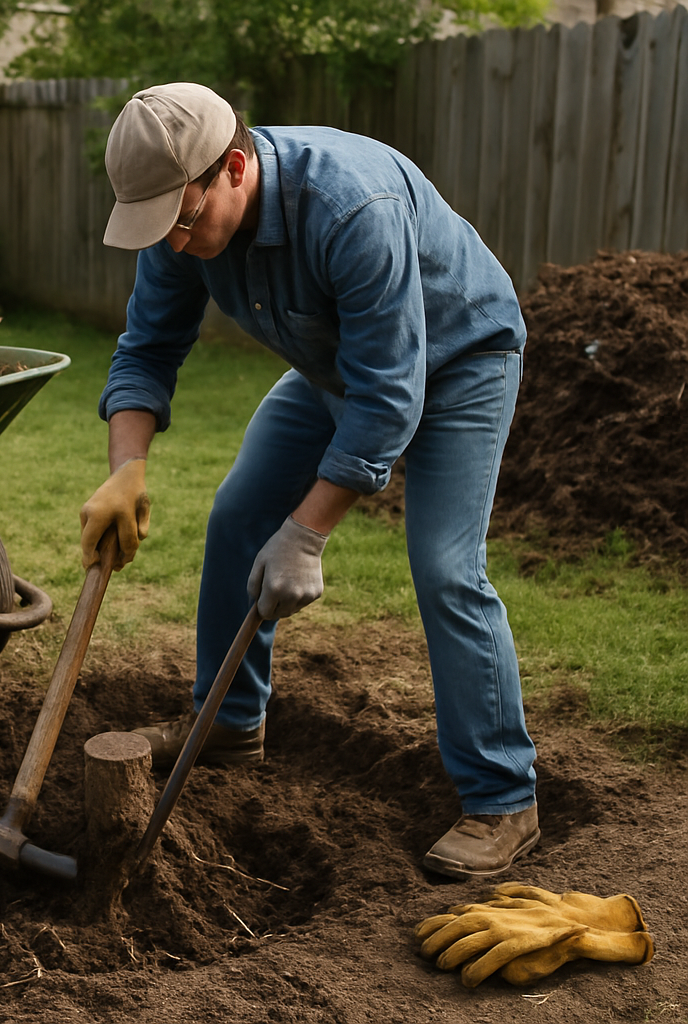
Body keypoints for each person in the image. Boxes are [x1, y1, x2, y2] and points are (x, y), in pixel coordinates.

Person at [78, 81, 539, 881]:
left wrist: (308, 532)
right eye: (161, 228)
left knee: (445, 567)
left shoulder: (349, 207)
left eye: (185, 219)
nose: (177, 244)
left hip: (460, 360)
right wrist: (128, 470)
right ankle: (228, 723)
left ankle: (503, 796)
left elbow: (392, 396)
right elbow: (147, 348)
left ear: (233, 166)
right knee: (238, 516)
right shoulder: (177, 223)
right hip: (337, 365)